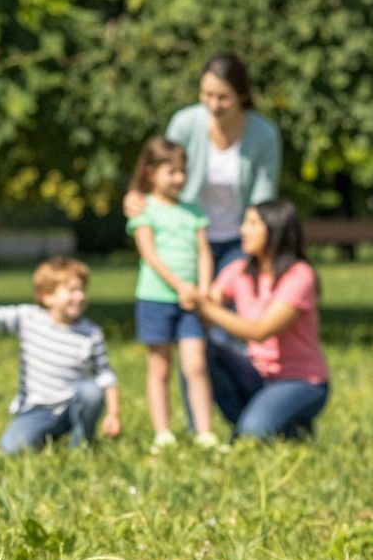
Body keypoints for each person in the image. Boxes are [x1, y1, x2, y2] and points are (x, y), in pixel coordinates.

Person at [179, 200, 330, 441]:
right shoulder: (239, 270)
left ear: (275, 229)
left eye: (252, 224)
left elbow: (260, 331)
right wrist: (191, 295)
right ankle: (244, 424)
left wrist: (205, 307)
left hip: (301, 381)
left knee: (254, 433)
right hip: (256, 373)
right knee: (202, 353)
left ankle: (288, 428)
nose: (243, 231)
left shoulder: (300, 275)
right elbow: (210, 300)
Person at [128, 52, 282, 273]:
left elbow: (263, 199)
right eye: (207, 94)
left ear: (242, 95)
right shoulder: (184, 123)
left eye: (223, 97)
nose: (214, 105)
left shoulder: (264, 134)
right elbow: (161, 170)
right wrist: (136, 193)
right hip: (187, 234)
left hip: (238, 240)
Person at [126, 137, 217, 448]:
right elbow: (149, 254)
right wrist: (180, 286)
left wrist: (202, 289)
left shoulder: (193, 211)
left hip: (191, 302)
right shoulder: (144, 209)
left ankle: (204, 431)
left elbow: (203, 252)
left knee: (196, 365)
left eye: (182, 172)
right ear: (151, 173)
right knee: (160, 368)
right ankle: (162, 432)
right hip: (156, 298)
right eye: (171, 172)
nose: (179, 178)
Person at [0, 257, 121, 454]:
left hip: (71, 407)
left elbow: (105, 376)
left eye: (82, 289)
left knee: (91, 391)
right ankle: (45, 436)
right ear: (47, 297)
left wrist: (113, 414)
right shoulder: (29, 318)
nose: (80, 296)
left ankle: (80, 444)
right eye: (72, 290)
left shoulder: (91, 333)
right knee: (10, 450)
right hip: (36, 410)